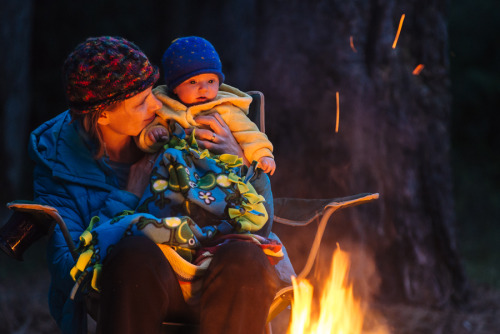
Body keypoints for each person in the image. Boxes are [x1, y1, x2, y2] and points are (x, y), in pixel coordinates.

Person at [29, 36, 292, 334]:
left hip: (215, 269)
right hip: (143, 282)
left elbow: (261, 224)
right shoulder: (60, 163)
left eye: (152, 91)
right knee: (133, 254)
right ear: (103, 114)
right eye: (142, 102)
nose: (157, 103)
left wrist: (240, 161)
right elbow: (69, 268)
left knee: (246, 258)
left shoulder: (183, 125)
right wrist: (128, 194)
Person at [135, 36, 277, 175]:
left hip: (219, 173)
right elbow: (152, 133)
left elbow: (249, 133)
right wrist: (154, 135)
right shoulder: (166, 108)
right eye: (193, 82)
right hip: (178, 174)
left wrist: (263, 155)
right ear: (175, 88)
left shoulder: (225, 108)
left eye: (210, 81)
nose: (204, 89)